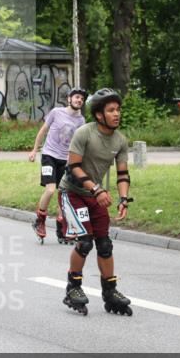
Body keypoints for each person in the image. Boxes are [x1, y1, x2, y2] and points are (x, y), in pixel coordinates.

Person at [57, 88, 133, 317]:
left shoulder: (120, 140)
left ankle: (110, 291)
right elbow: (72, 168)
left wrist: (123, 199)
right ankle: (73, 288)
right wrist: (97, 189)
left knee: (105, 244)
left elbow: (123, 174)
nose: (116, 114)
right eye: (111, 110)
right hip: (72, 193)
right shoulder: (84, 133)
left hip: (94, 196)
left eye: (118, 109)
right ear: (99, 115)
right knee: (85, 241)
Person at [29, 88, 87, 244]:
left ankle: (62, 228)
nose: (79, 100)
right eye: (76, 97)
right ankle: (40, 220)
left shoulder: (81, 121)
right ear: (69, 99)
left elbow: (79, 143)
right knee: (50, 189)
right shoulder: (56, 112)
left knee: (63, 194)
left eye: (81, 99)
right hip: (49, 155)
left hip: (66, 160)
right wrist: (35, 150)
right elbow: (43, 131)